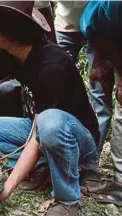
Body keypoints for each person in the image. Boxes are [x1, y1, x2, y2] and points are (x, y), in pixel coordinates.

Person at [0, 2, 100, 215]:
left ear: (6, 31)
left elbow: (40, 132)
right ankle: (41, 167)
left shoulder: (52, 65)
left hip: (75, 139)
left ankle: (67, 199)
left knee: (49, 123)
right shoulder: (4, 54)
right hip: (37, 128)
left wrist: (7, 189)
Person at [80, 0, 122, 205]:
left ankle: (121, 182)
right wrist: (98, 61)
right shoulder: (107, 6)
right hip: (102, 38)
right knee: (99, 106)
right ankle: (89, 166)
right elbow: (93, 28)